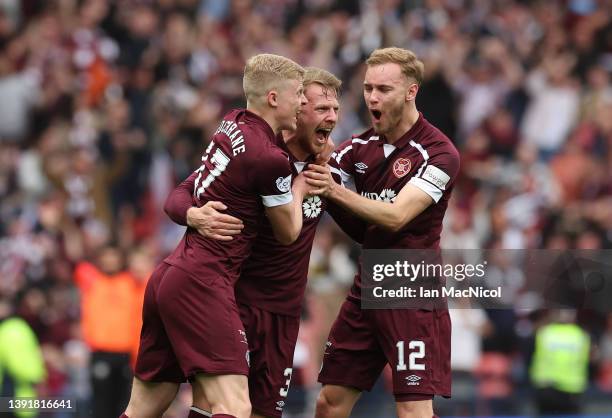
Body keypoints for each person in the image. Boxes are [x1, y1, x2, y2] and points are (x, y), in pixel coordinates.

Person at [165, 67, 365, 418]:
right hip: (236, 301)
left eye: (336, 110)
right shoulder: (263, 159)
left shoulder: (328, 167)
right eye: (321, 109)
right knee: (214, 405)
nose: (332, 118)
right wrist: (194, 215)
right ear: (297, 109)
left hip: (284, 314)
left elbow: (360, 229)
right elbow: (180, 194)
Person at [123, 53, 309, 418]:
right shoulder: (269, 158)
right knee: (236, 407)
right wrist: (302, 184)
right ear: (273, 98)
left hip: (170, 275)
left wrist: (192, 213)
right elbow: (288, 232)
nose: (302, 102)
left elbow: (178, 194)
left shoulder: (231, 125)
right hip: (203, 280)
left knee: (148, 406)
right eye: (298, 94)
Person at [303, 47, 460, 418]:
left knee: (412, 410)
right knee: (329, 403)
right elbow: (314, 173)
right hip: (367, 286)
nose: (373, 97)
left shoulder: (439, 153)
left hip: (410, 291)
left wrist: (333, 190)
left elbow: (396, 216)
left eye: (384, 89)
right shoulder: (358, 148)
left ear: (411, 92)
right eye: (368, 88)